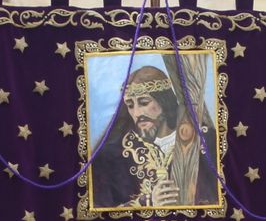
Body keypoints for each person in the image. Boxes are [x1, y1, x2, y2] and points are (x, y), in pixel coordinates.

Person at [89, 61, 219, 210]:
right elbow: (100, 209)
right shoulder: (114, 153)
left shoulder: (204, 141)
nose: (137, 113)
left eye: (144, 103)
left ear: (165, 101)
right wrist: (148, 202)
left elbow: (218, 198)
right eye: (130, 105)